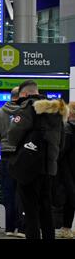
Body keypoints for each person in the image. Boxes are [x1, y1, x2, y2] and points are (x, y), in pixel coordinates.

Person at [7, 80, 68, 239]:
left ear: (25, 94)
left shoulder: (28, 107)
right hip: (49, 168)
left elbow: (12, 136)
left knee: (30, 210)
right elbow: (61, 143)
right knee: (46, 209)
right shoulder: (56, 111)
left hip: (29, 167)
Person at [0, 87, 25, 237]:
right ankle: (22, 228)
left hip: (5, 157)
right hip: (22, 156)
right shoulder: (25, 113)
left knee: (8, 193)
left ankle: (9, 228)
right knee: (22, 193)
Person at [54, 102, 75, 239]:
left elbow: (61, 151)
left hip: (66, 169)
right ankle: (66, 228)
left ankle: (65, 228)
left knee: (68, 199)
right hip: (73, 169)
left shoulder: (67, 129)